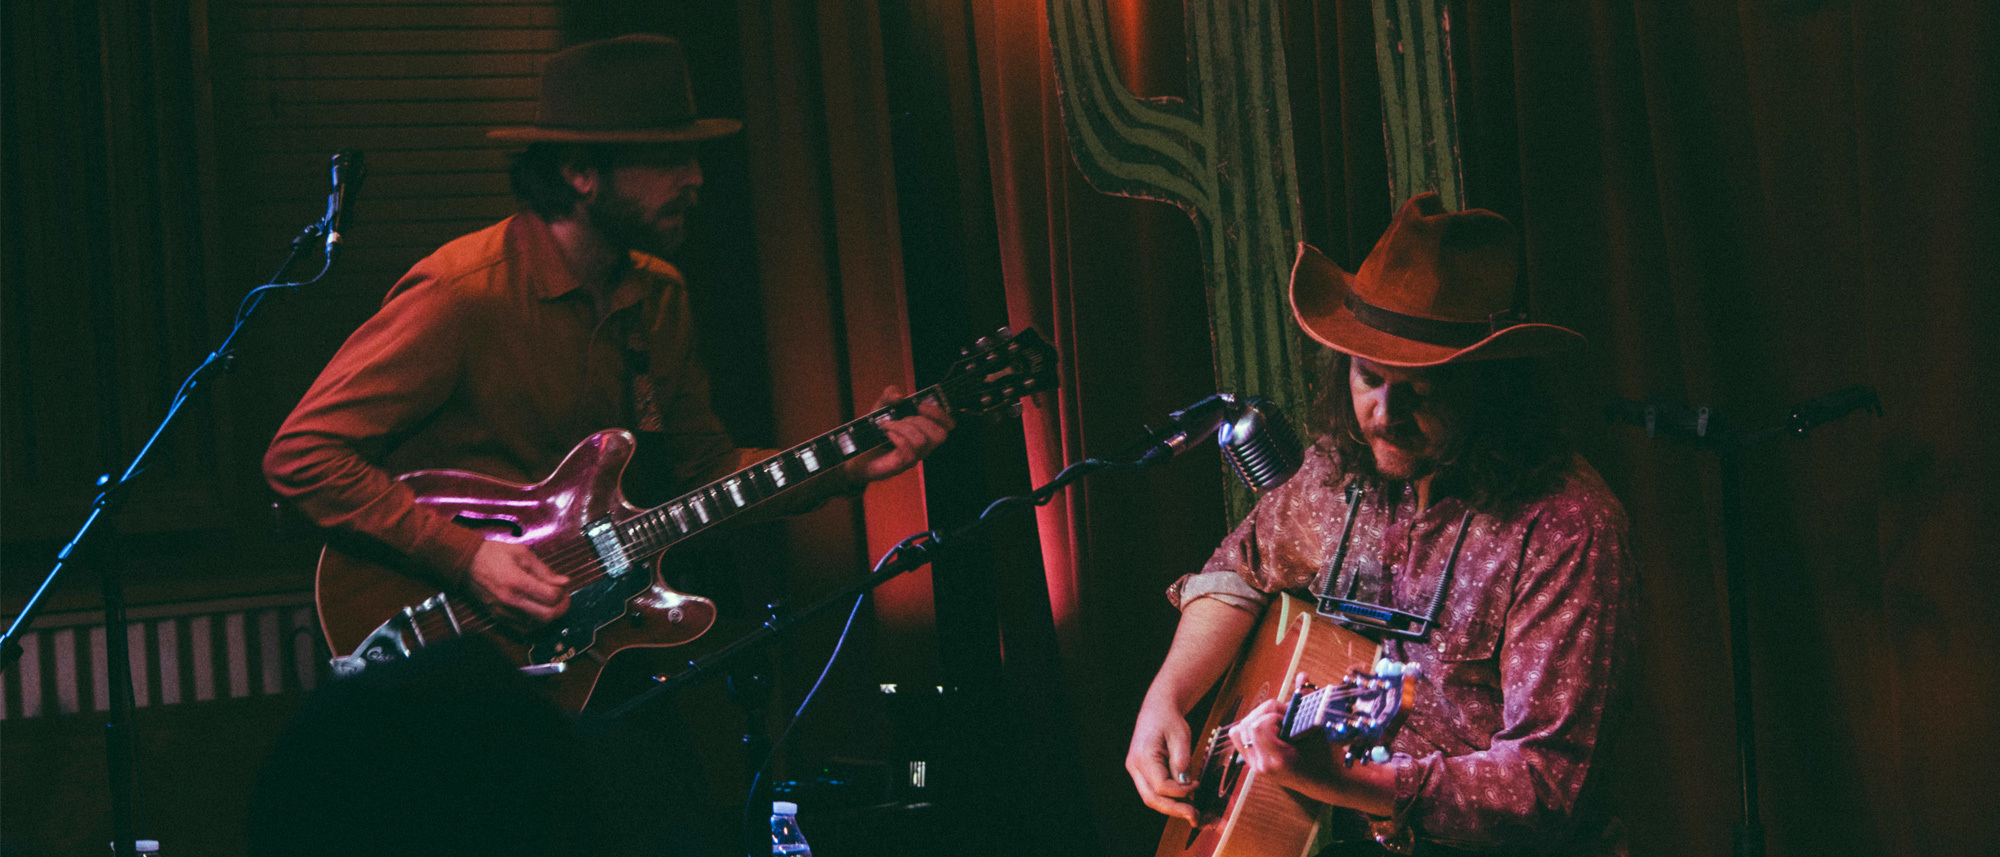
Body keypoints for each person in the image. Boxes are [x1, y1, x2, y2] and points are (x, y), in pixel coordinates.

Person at [264, 34, 952, 630]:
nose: (695, 177)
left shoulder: (659, 297)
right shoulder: (462, 293)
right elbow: (302, 453)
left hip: (590, 638)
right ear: (581, 172)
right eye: (666, 158)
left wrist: (851, 462)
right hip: (451, 642)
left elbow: (705, 473)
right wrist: (467, 556)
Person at [1126, 192, 1634, 855]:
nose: (1386, 414)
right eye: (1370, 378)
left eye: (1421, 388)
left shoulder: (1566, 526)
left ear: (1492, 387)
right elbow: (1237, 572)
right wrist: (1166, 698)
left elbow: (1547, 783)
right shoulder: (1337, 471)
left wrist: (1356, 781)